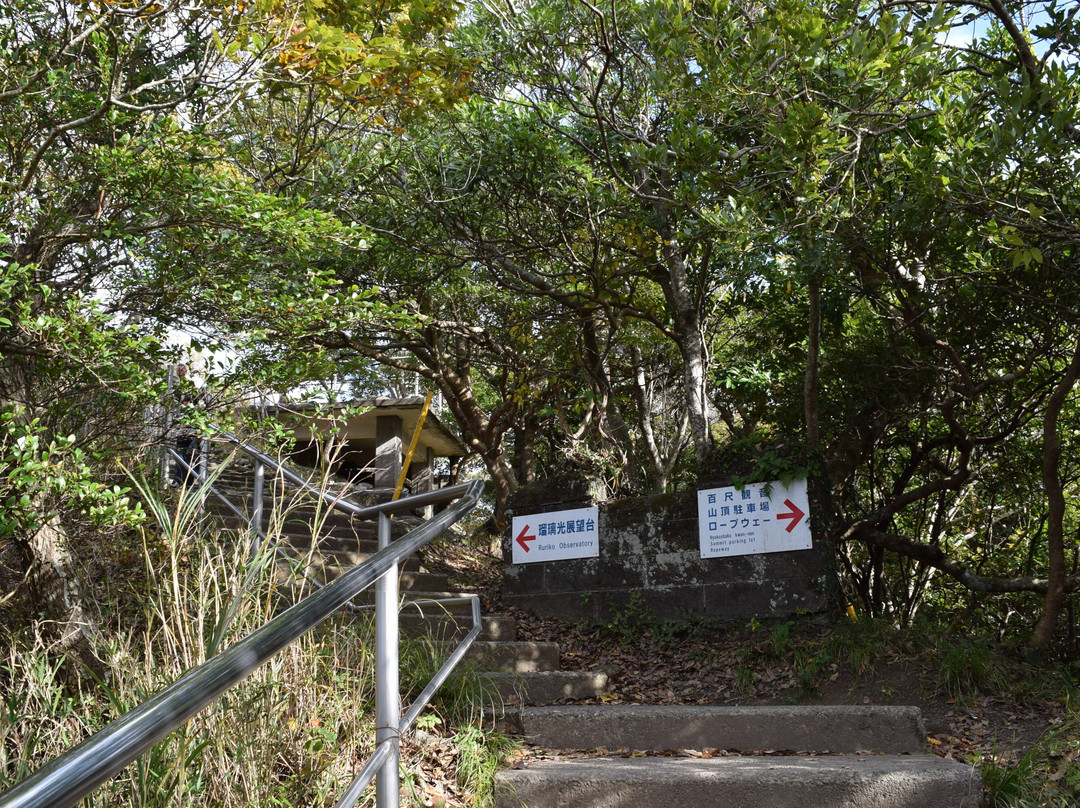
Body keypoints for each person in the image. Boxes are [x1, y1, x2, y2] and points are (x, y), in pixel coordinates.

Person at [171, 363, 201, 486]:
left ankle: (189, 480)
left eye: (182, 370)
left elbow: (197, 398)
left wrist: (187, 402)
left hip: (191, 426)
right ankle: (178, 479)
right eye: (178, 370)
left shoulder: (190, 385)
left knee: (190, 454)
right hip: (179, 425)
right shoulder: (173, 384)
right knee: (179, 454)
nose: (180, 372)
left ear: (186, 371)